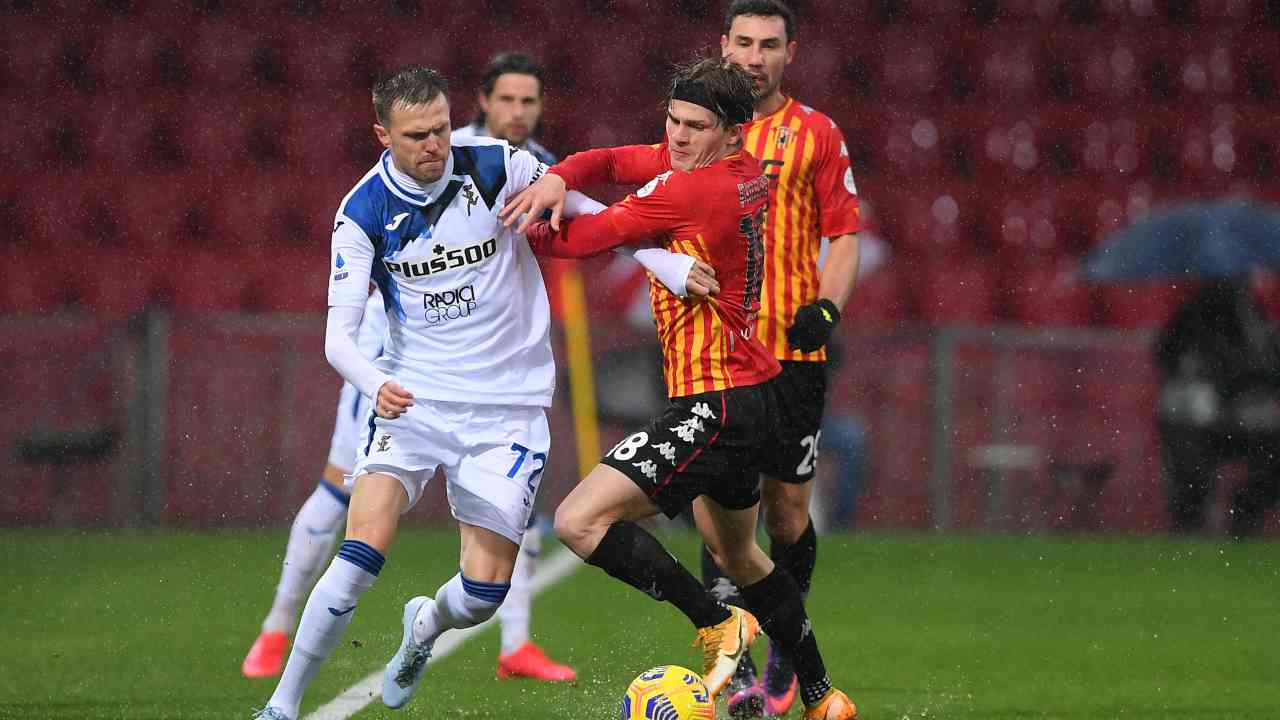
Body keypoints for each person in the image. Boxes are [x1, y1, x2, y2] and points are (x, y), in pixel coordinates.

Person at [252, 65, 702, 720]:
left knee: (483, 595)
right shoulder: (363, 213)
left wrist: (668, 262)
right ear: (383, 135)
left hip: (508, 409)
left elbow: (590, 215)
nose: (434, 145)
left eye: (439, 128)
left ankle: (425, 628)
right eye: (415, 136)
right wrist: (378, 384)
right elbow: (338, 340)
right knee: (358, 556)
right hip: (416, 398)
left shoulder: (493, 166)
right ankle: (282, 706)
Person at [501, 57, 858, 720]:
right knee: (740, 554)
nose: (678, 138)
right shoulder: (739, 171)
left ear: (731, 133)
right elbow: (607, 160)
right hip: (755, 394)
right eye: (673, 122)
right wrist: (556, 176)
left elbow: (575, 242)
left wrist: (523, 207)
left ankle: (714, 622)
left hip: (714, 403)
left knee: (581, 521)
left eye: (696, 127)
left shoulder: (693, 192)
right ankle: (821, 695)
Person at [706, 3, 865, 715]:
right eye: (743, 42)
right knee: (720, 513)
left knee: (787, 515)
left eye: (769, 44)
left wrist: (827, 308)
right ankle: (730, 663)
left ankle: (781, 652)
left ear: (789, 53)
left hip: (793, 356)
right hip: (718, 356)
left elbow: (847, 236)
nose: (754, 56)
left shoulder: (818, 134)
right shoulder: (699, 127)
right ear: (724, 45)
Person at [241, 292, 385, 679]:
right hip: (391, 337)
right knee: (339, 484)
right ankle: (278, 624)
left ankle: (515, 643)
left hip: (461, 339)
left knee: (497, 476)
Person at [1154, 279, 1280, 537]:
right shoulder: (1196, 314)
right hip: (1201, 420)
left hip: (1238, 418)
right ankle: (1195, 520)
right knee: (1189, 460)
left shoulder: (1251, 314)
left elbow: (1268, 364)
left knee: (1272, 455)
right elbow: (1167, 355)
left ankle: (1243, 512)